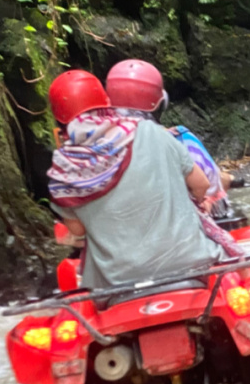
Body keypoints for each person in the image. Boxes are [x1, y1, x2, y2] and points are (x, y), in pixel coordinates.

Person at [46, 69, 234, 290]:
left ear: (60, 123)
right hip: (194, 264)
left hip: (115, 284)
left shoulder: (63, 169)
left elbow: (77, 231)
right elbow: (202, 185)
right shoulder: (152, 132)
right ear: (107, 103)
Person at [105, 59, 235, 215]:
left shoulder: (94, 148)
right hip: (178, 225)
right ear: (161, 104)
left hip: (124, 227)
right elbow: (208, 186)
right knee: (220, 190)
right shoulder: (180, 138)